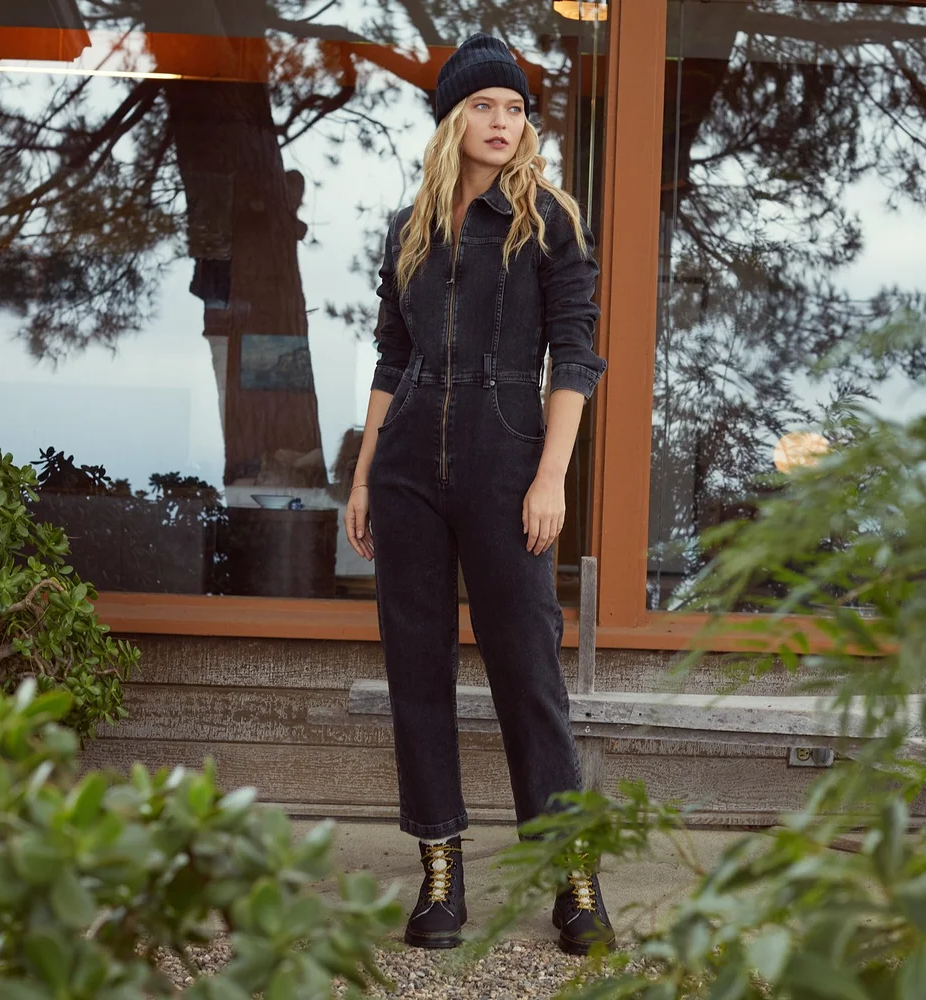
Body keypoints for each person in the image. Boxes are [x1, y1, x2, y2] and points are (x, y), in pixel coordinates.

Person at [342, 32, 613, 955]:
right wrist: (363, 475)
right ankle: (440, 872)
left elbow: (574, 355)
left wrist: (551, 476)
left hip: (508, 461)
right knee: (416, 669)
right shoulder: (409, 229)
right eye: (485, 106)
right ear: (453, 119)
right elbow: (392, 358)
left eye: (516, 108)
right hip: (408, 466)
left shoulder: (549, 221)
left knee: (528, 670)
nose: (504, 122)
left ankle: (573, 878)